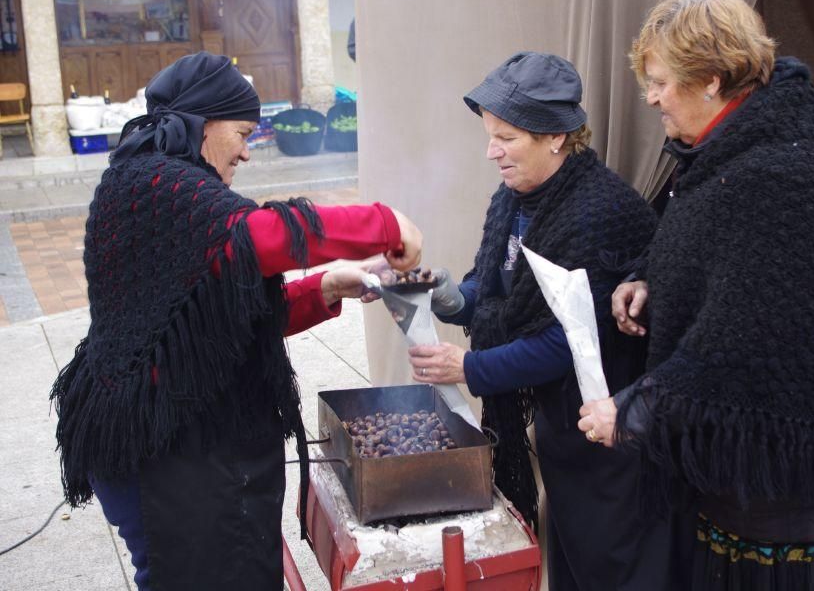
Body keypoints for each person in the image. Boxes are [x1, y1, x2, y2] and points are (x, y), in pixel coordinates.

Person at [50, 52, 422, 591]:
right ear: (203, 122)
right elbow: (260, 236)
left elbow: (222, 316)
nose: (248, 151)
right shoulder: (157, 187)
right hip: (161, 464)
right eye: (244, 132)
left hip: (167, 449)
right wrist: (386, 224)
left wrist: (325, 286)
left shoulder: (156, 180)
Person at [577, 0, 814, 589]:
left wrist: (631, 412)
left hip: (802, 483)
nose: (650, 98)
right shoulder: (730, 149)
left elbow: (747, 334)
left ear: (711, 80)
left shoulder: (781, 170)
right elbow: (718, 247)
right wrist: (649, 275)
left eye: (660, 82)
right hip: (753, 480)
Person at [407, 52, 683, 590]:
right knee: (572, 567)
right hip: (562, 431)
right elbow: (493, 291)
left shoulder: (601, 213)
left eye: (507, 137)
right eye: (491, 135)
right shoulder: (513, 200)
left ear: (556, 137)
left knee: (616, 570)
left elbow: (565, 341)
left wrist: (470, 366)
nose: (492, 152)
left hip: (616, 440)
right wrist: (445, 296)